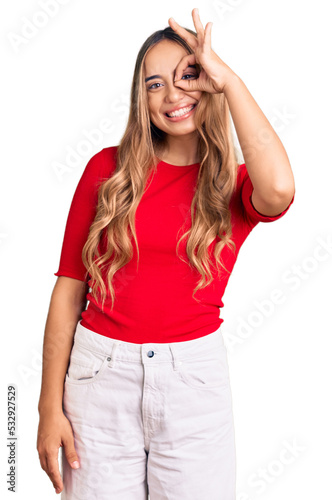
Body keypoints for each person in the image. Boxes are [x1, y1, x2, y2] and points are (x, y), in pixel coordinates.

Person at [36, 7, 295, 500]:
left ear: (210, 83)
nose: (173, 95)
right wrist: (49, 407)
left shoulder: (232, 185)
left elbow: (280, 188)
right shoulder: (105, 172)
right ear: (142, 98)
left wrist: (231, 80)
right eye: (155, 84)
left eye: (189, 76)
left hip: (193, 383)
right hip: (98, 378)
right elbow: (69, 289)